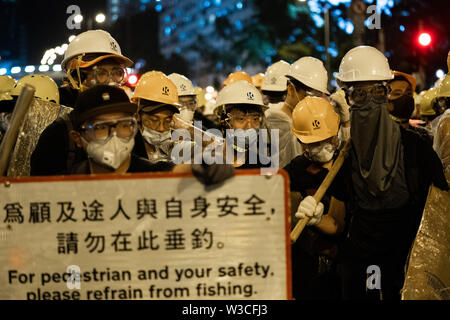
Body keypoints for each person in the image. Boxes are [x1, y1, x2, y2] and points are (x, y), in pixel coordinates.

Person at [295, 45, 449, 300]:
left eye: (375, 92)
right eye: (358, 95)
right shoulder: (346, 158)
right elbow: (337, 223)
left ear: (386, 93)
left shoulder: (417, 152)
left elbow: (439, 220)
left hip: (407, 270)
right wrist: (316, 217)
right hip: (358, 271)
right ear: (347, 97)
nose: (367, 103)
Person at [30, 30, 133, 176]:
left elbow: (141, 168)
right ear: (75, 76)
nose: (111, 80)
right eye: (101, 73)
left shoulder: (127, 122)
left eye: (117, 72)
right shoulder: (56, 130)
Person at [284, 96, 345, 299]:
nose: (324, 146)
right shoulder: (292, 174)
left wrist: (319, 220)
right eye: (315, 142)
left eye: (328, 139)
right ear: (301, 141)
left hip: (344, 268)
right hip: (306, 269)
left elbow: (339, 224)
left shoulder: (348, 166)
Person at [68, 85, 167, 174]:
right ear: (77, 138)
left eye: (124, 125)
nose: (114, 135)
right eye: (101, 127)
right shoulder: (62, 185)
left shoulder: (160, 178)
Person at [214, 80, 271, 169]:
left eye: (255, 119)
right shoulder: (208, 163)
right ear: (224, 122)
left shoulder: (263, 166)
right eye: (241, 119)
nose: (250, 127)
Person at [387, 70, 432, 143]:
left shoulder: (423, 137)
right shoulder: (381, 138)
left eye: (408, 93)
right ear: (386, 100)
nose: (404, 98)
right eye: (397, 94)